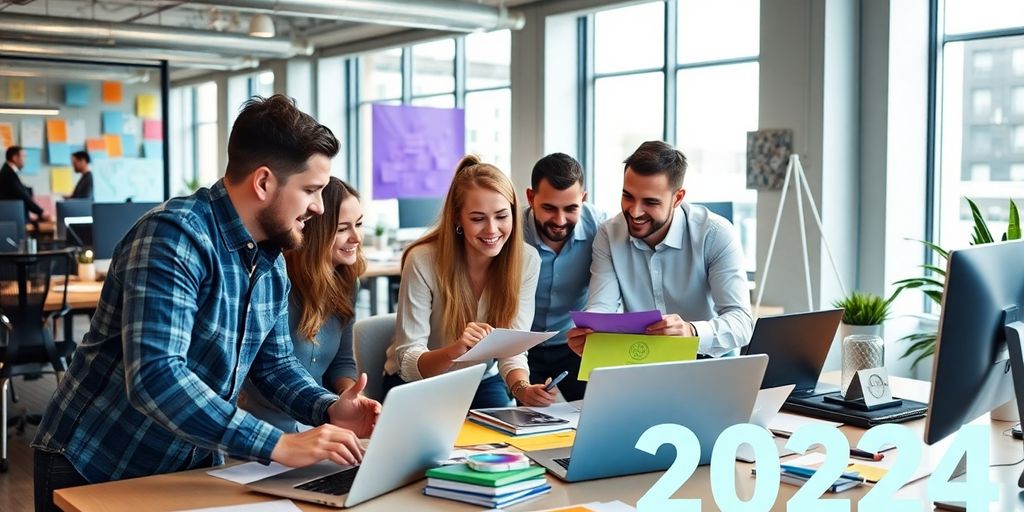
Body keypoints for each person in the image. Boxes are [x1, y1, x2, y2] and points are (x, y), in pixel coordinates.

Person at [32, 95, 380, 511]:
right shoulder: (173, 237)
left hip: (188, 465)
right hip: (96, 464)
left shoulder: (270, 259)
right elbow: (156, 376)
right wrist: (278, 444)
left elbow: (274, 365)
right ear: (264, 182)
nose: (318, 207)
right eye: (311, 190)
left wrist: (328, 408)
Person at [383, 155, 555, 409]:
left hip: (480, 380)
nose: (492, 229)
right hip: (419, 384)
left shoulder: (526, 261)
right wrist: (456, 350)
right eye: (477, 218)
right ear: (457, 219)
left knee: (510, 441)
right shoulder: (422, 260)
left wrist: (523, 389)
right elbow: (408, 361)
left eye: (501, 216)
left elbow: (512, 350)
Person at [567, 140, 753, 358]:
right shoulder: (609, 234)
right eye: (628, 196)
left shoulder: (715, 234)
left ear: (678, 198)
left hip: (707, 356)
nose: (635, 212)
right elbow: (601, 307)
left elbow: (742, 323)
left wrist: (692, 331)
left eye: (650, 202)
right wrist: (591, 334)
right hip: (641, 358)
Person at [240, 176, 365, 432]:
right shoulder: (274, 281)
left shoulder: (347, 282)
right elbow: (265, 370)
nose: (356, 238)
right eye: (342, 229)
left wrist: (350, 396)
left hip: (320, 419)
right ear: (315, 232)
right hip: (264, 426)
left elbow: (341, 363)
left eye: (359, 224)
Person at [522, 153, 606, 401]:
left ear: (584, 198)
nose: (560, 221)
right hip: (521, 347)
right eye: (549, 208)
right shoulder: (509, 230)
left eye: (571, 208)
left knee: (591, 416)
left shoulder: (602, 229)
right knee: (529, 424)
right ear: (530, 197)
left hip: (575, 345)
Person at [0, 145, 50, 221]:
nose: (25, 160)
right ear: (15, 158)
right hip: (12, 218)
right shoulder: (8, 174)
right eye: (23, 156)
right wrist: (41, 212)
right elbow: (22, 196)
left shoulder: (9, 172)